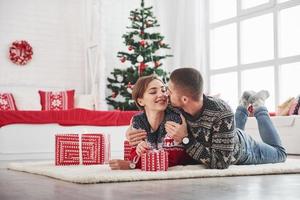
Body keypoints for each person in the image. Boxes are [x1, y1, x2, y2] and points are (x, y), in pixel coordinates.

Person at [126, 68, 287, 169]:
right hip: (224, 135)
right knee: (228, 130)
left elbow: (221, 162)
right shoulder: (173, 104)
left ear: (184, 99)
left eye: (168, 90)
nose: (164, 94)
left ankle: (259, 107)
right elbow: (149, 112)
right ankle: (243, 104)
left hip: (242, 150)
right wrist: (130, 131)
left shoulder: (221, 113)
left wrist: (186, 139)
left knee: (280, 154)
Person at [109, 74, 195, 170]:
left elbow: (174, 158)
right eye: (153, 92)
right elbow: (133, 155)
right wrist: (139, 149)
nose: (162, 94)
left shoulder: (175, 118)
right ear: (141, 101)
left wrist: (132, 165)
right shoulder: (138, 120)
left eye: (163, 90)